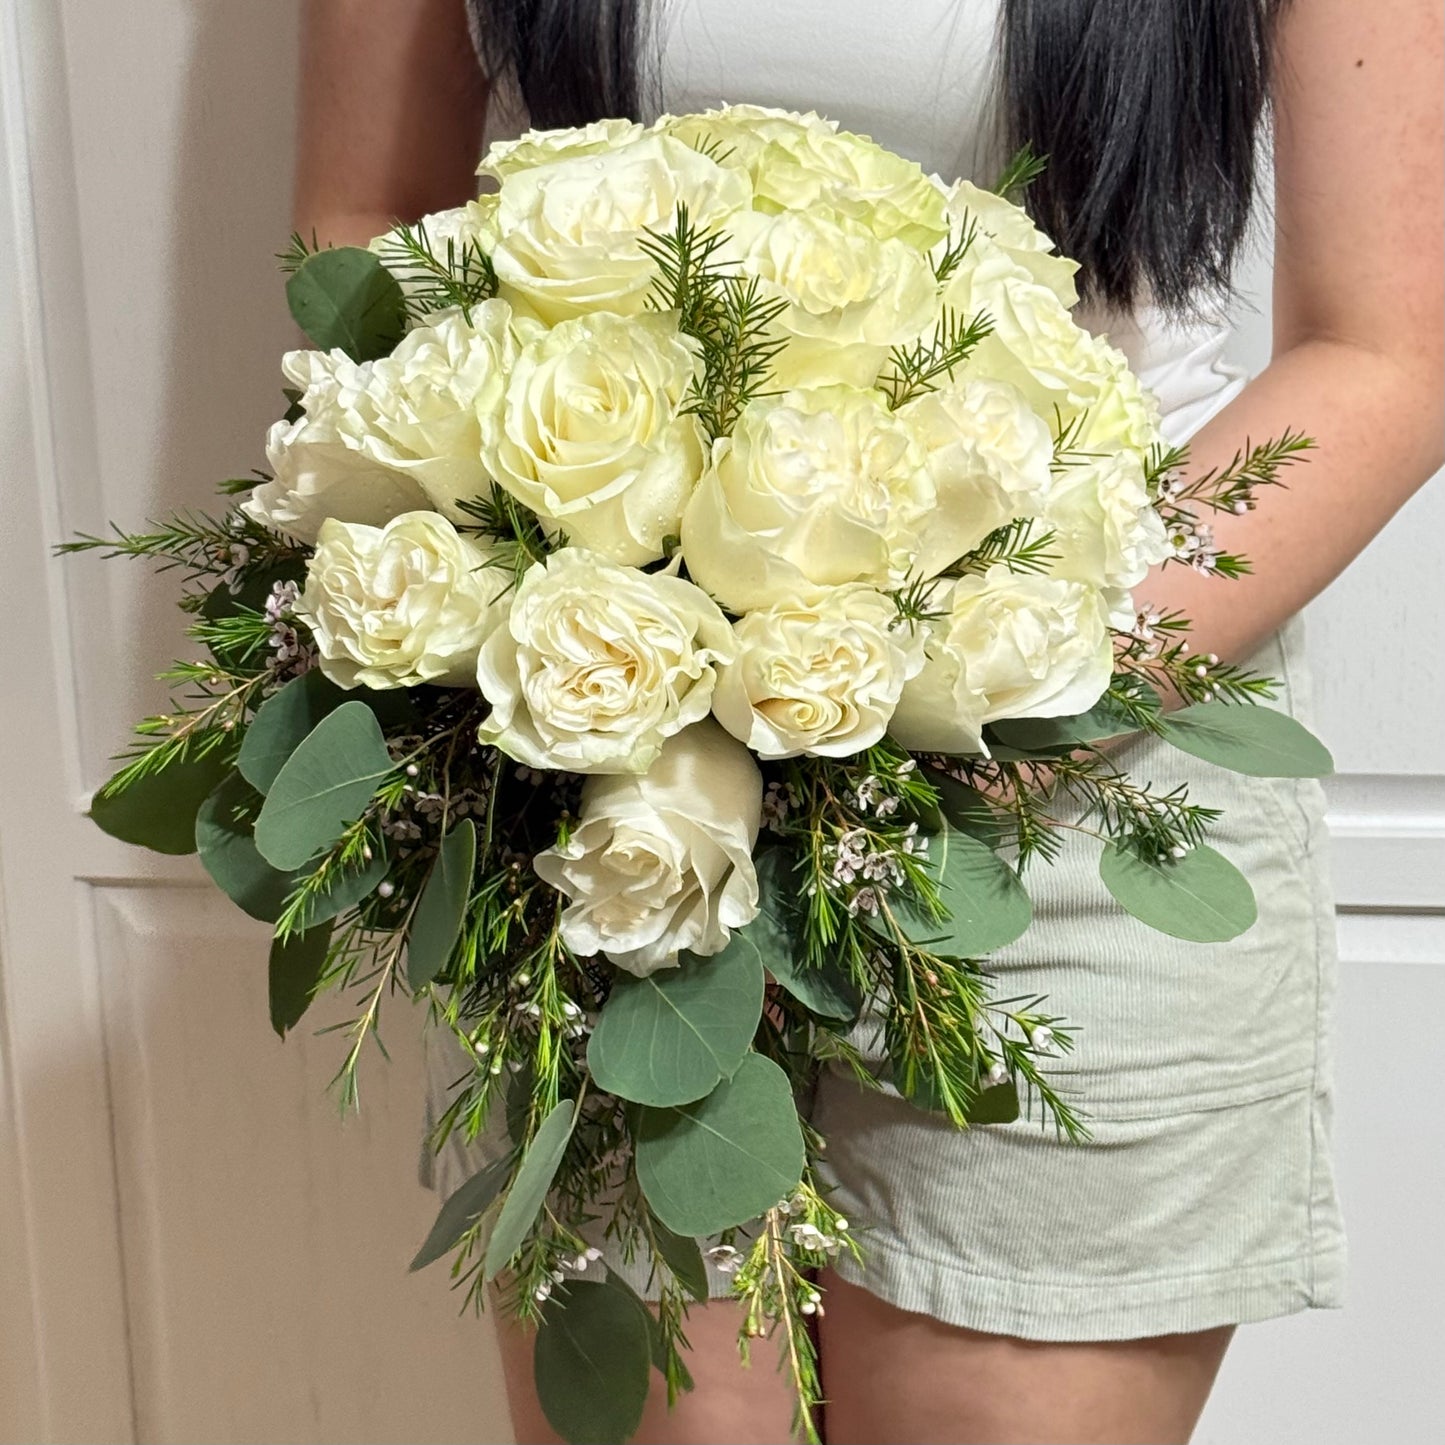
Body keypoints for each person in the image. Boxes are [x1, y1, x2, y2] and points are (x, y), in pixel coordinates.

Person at [292, 2, 1444, 1441]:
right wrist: (559, 605)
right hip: (619, 779)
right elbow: (369, 220)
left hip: (1085, 772)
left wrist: (988, 710)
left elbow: (1386, 350)